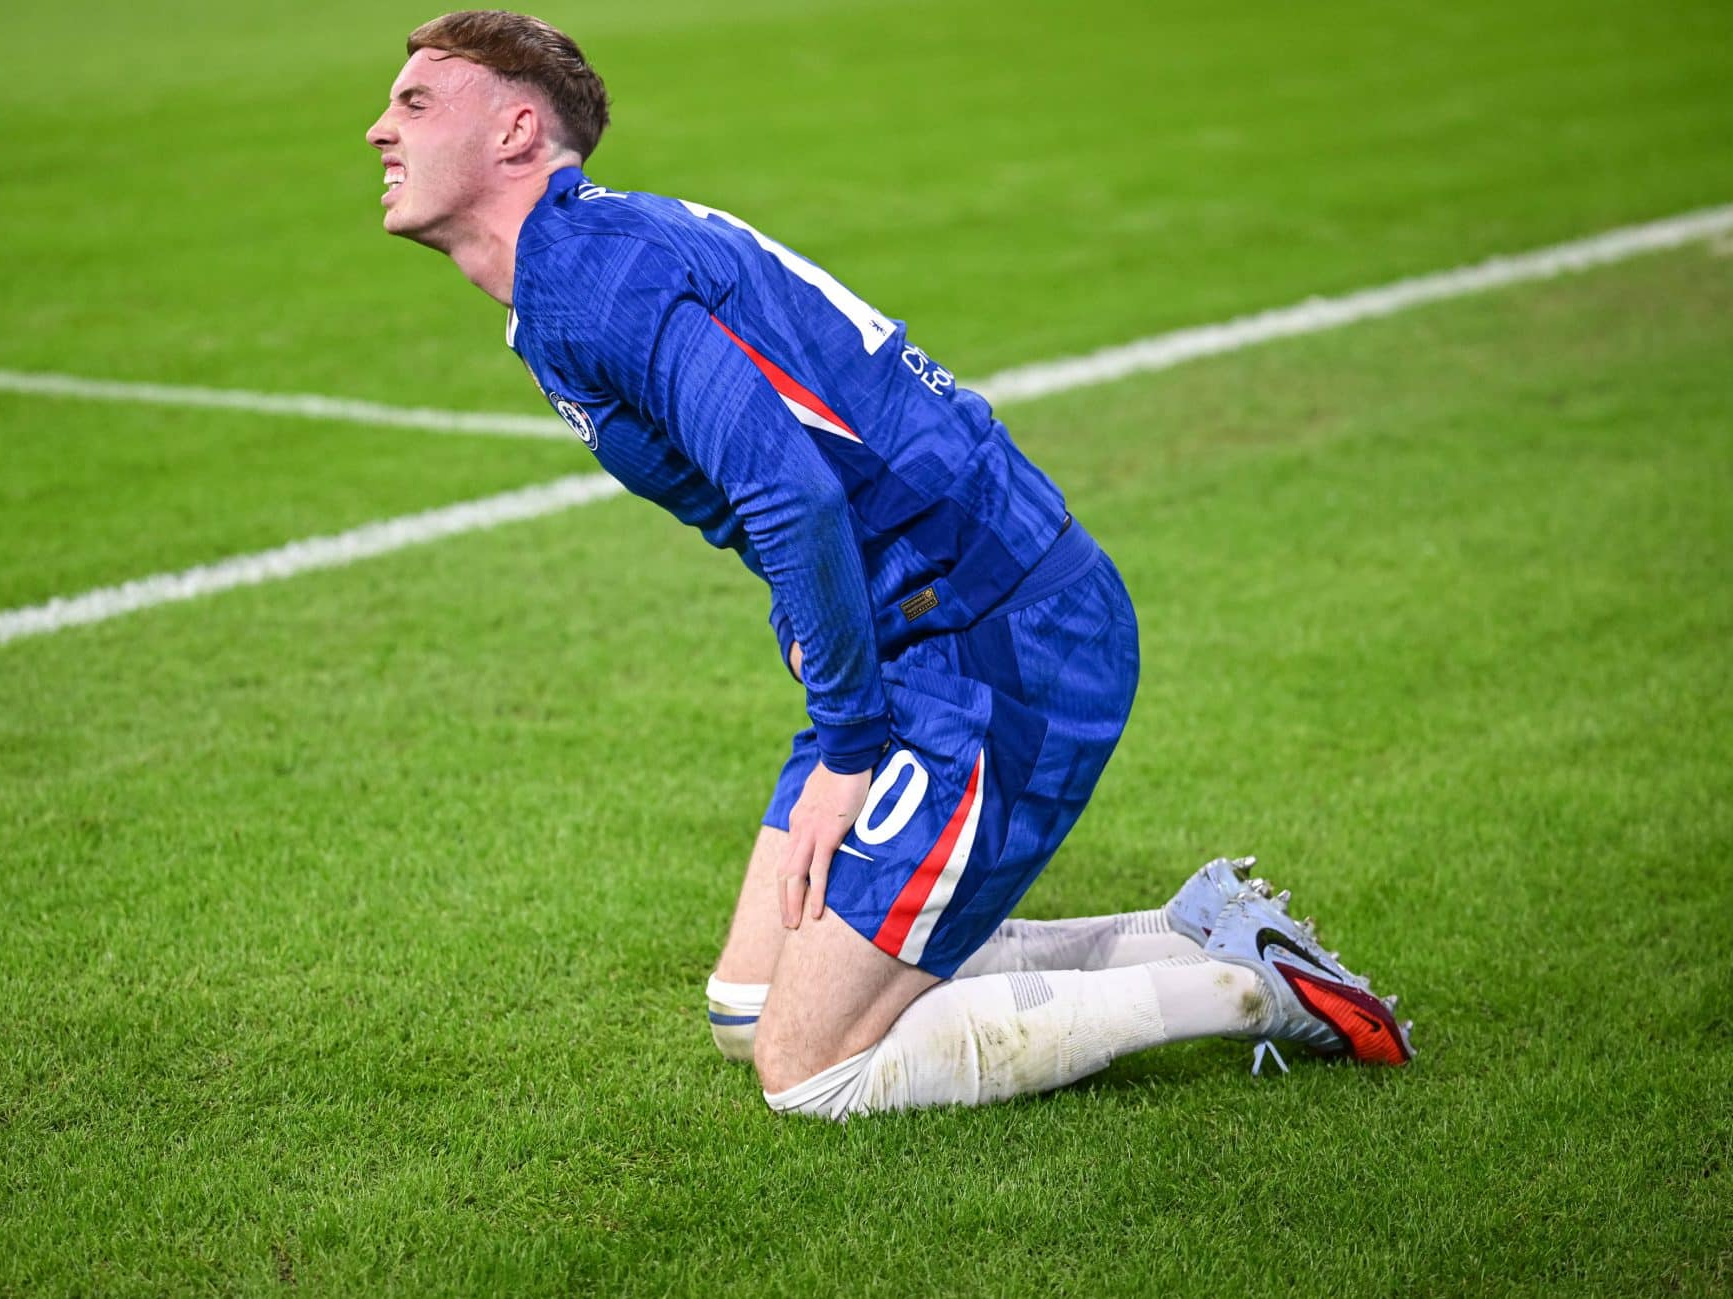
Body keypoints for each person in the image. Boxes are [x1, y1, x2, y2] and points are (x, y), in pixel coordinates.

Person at [366, 10, 1412, 1118]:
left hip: (996, 638)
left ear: (516, 131)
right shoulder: (581, 261)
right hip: (914, 626)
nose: (380, 129)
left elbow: (792, 493)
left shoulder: (591, 275)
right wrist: (823, 654)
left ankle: (1249, 991)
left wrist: (847, 748)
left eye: (416, 103)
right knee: (746, 1008)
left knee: (808, 1069)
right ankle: (1186, 928)